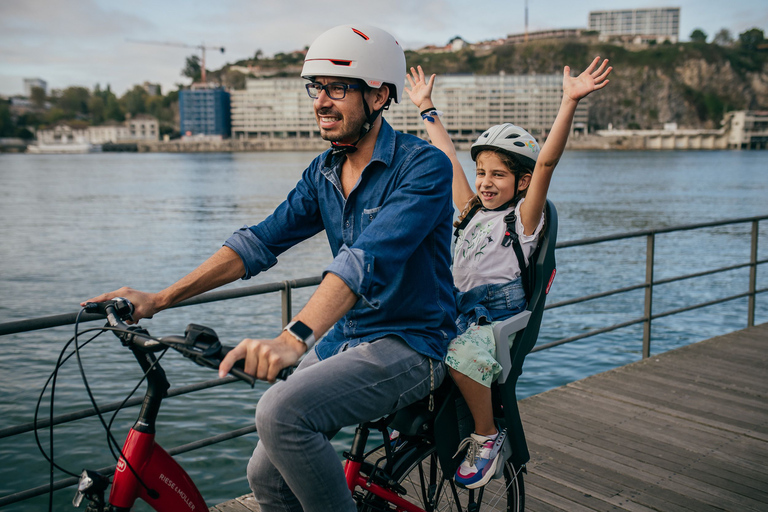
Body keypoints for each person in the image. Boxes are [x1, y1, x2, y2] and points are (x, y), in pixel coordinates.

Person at [83, 25, 456, 512]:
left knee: (280, 413)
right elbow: (257, 242)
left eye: (337, 88)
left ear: (380, 96)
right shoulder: (322, 172)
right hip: (347, 336)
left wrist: (292, 338)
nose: (321, 101)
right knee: (266, 474)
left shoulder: (423, 166)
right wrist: (160, 298)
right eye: (316, 88)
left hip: (412, 342)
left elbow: (365, 260)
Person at [404, 57, 612, 489]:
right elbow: (448, 160)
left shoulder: (522, 221)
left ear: (521, 182)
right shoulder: (470, 213)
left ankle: (486, 433)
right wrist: (427, 108)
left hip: (495, 320)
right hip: (456, 309)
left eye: (499, 174)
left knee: (461, 357)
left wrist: (569, 102)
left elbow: (548, 163)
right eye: (482, 172)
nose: (485, 182)